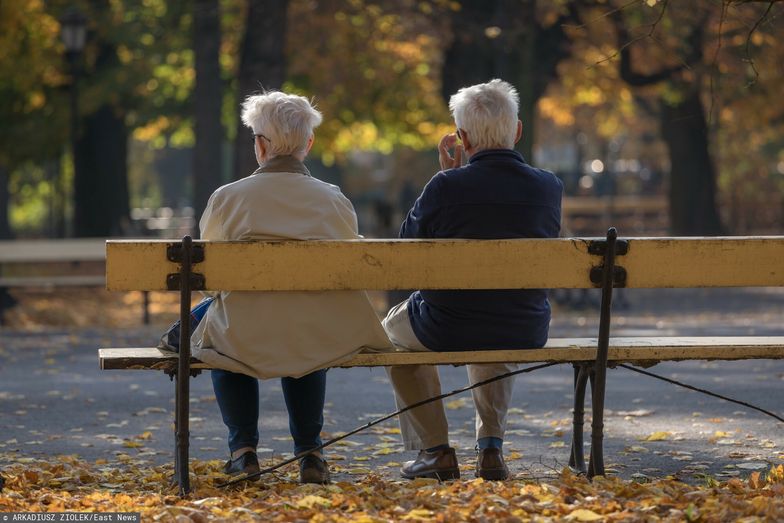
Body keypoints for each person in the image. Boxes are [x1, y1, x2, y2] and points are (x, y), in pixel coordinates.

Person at [190, 91, 391, 484]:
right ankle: (310, 452)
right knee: (303, 323)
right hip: (315, 333)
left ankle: (243, 451)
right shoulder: (333, 200)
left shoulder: (228, 198)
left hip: (244, 333)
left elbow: (212, 278)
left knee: (222, 332)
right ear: (308, 143)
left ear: (261, 145)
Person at [382, 79, 563, 481]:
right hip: (523, 325)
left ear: (461, 138)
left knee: (390, 335)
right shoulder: (549, 187)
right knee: (494, 317)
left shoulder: (445, 185)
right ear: (516, 131)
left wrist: (446, 176)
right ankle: (491, 448)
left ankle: (436, 451)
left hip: (445, 325)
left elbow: (404, 252)